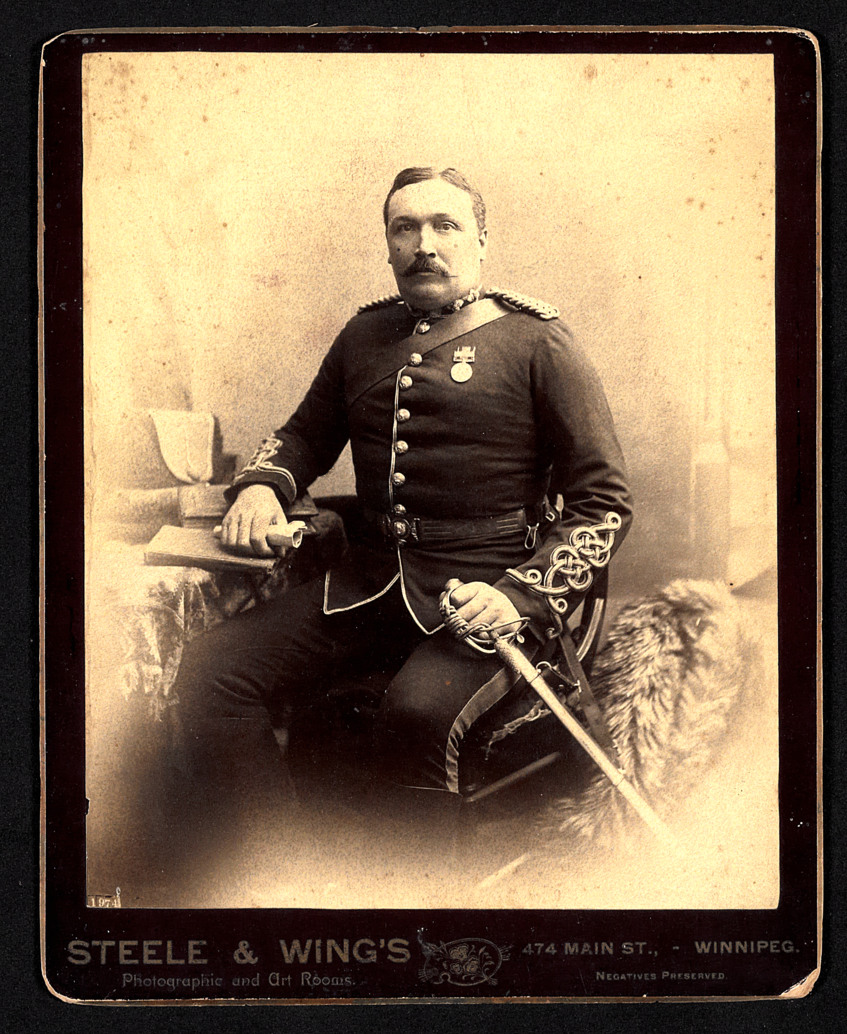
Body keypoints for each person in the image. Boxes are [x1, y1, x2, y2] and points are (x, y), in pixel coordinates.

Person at [165, 167, 632, 899]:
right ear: (388, 244)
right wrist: (261, 485)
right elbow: (303, 435)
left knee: (415, 716)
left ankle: (416, 911)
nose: (424, 244)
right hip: (368, 584)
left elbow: (602, 504)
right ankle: (276, 877)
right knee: (214, 669)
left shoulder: (539, 342)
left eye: (445, 225)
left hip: (485, 597)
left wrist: (519, 596)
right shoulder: (365, 334)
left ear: (481, 241)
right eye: (404, 228)